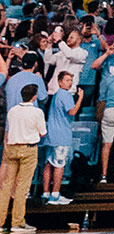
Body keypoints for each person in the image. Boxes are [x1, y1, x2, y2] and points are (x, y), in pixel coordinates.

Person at [0, 82, 46, 234]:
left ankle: (0, 223)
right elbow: (42, 132)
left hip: (11, 148)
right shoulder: (37, 112)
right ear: (34, 97)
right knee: (22, 187)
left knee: (6, 186)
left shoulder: (13, 110)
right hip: (28, 149)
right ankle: (17, 223)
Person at [40, 71, 82, 205]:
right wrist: (80, 98)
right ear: (60, 82)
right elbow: (72, 111)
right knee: (59, 165)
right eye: (67, 80)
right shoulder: (66, 95)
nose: (70, 83)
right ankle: (55, 195)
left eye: (71, 80)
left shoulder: (56, 95)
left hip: (51, 134)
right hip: (61, 135)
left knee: (49, 163)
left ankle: (46, 192)